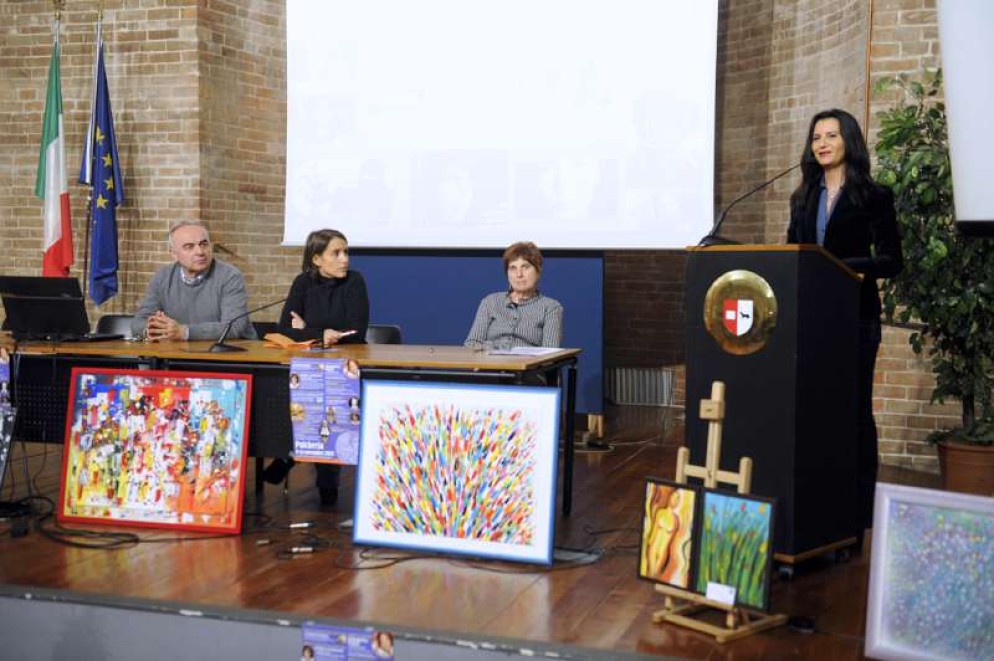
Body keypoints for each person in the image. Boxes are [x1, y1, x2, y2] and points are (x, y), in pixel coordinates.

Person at [786, 109, 903, 546]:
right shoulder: (802, 197)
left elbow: (891, 260)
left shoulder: (874, 196)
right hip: (810, 320)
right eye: (816, 136)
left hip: (855, 317)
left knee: (853, 414)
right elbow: (792, 253)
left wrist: (835, 265)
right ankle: (817, 509)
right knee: (813, 413)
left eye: (831, 135)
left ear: (848, 141)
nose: (822, 143)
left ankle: (858, 513)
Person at [266, 229, 369, 505]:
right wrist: (320, 333)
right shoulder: (303, 283)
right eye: (336, 253)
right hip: (310, 364)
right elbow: (284, 328)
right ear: (316, 259)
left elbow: (356, 332)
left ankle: (298, 458)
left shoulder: (355, 282)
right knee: (293, 390)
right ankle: (297, 452)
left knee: (328, 396)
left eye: (346, 252)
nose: (345, 259)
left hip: (344, 366)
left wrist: (307, 329)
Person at [130, 220, 256, 342]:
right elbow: (138, 323)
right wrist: (153, 331)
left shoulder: (229, 276)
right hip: (183, 352)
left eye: (204, 244)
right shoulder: (162, 277)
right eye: (189, 247)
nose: (200, 252)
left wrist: (184, 332)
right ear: (174, 254)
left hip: (235, 352)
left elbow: (234, 327)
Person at [464, 241, 563, 350]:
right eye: (513, 268)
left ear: (538, 271)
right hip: (491, 360)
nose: (519, 274)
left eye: (525, 267)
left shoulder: (551, 307)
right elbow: (472, 343)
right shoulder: (490, 302)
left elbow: (550, 352)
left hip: (530, 361)